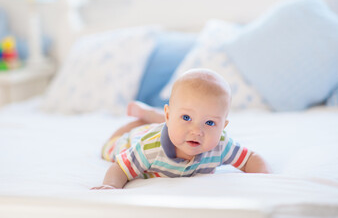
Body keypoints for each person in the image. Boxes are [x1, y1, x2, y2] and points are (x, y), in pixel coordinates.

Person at [92, 68, 270, 190]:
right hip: (136, 139)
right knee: (108, 149)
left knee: (181, 125)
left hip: (170, 127)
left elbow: (250, 159)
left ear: (223, 126)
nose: (197, 131)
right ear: (168, 115)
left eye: (209, 123)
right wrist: (111, 186)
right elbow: (120, 168)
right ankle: (139, 121)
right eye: (187, 118)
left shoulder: (221, 145)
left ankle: (154, 116)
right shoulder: (149, 149)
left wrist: (265, 180)